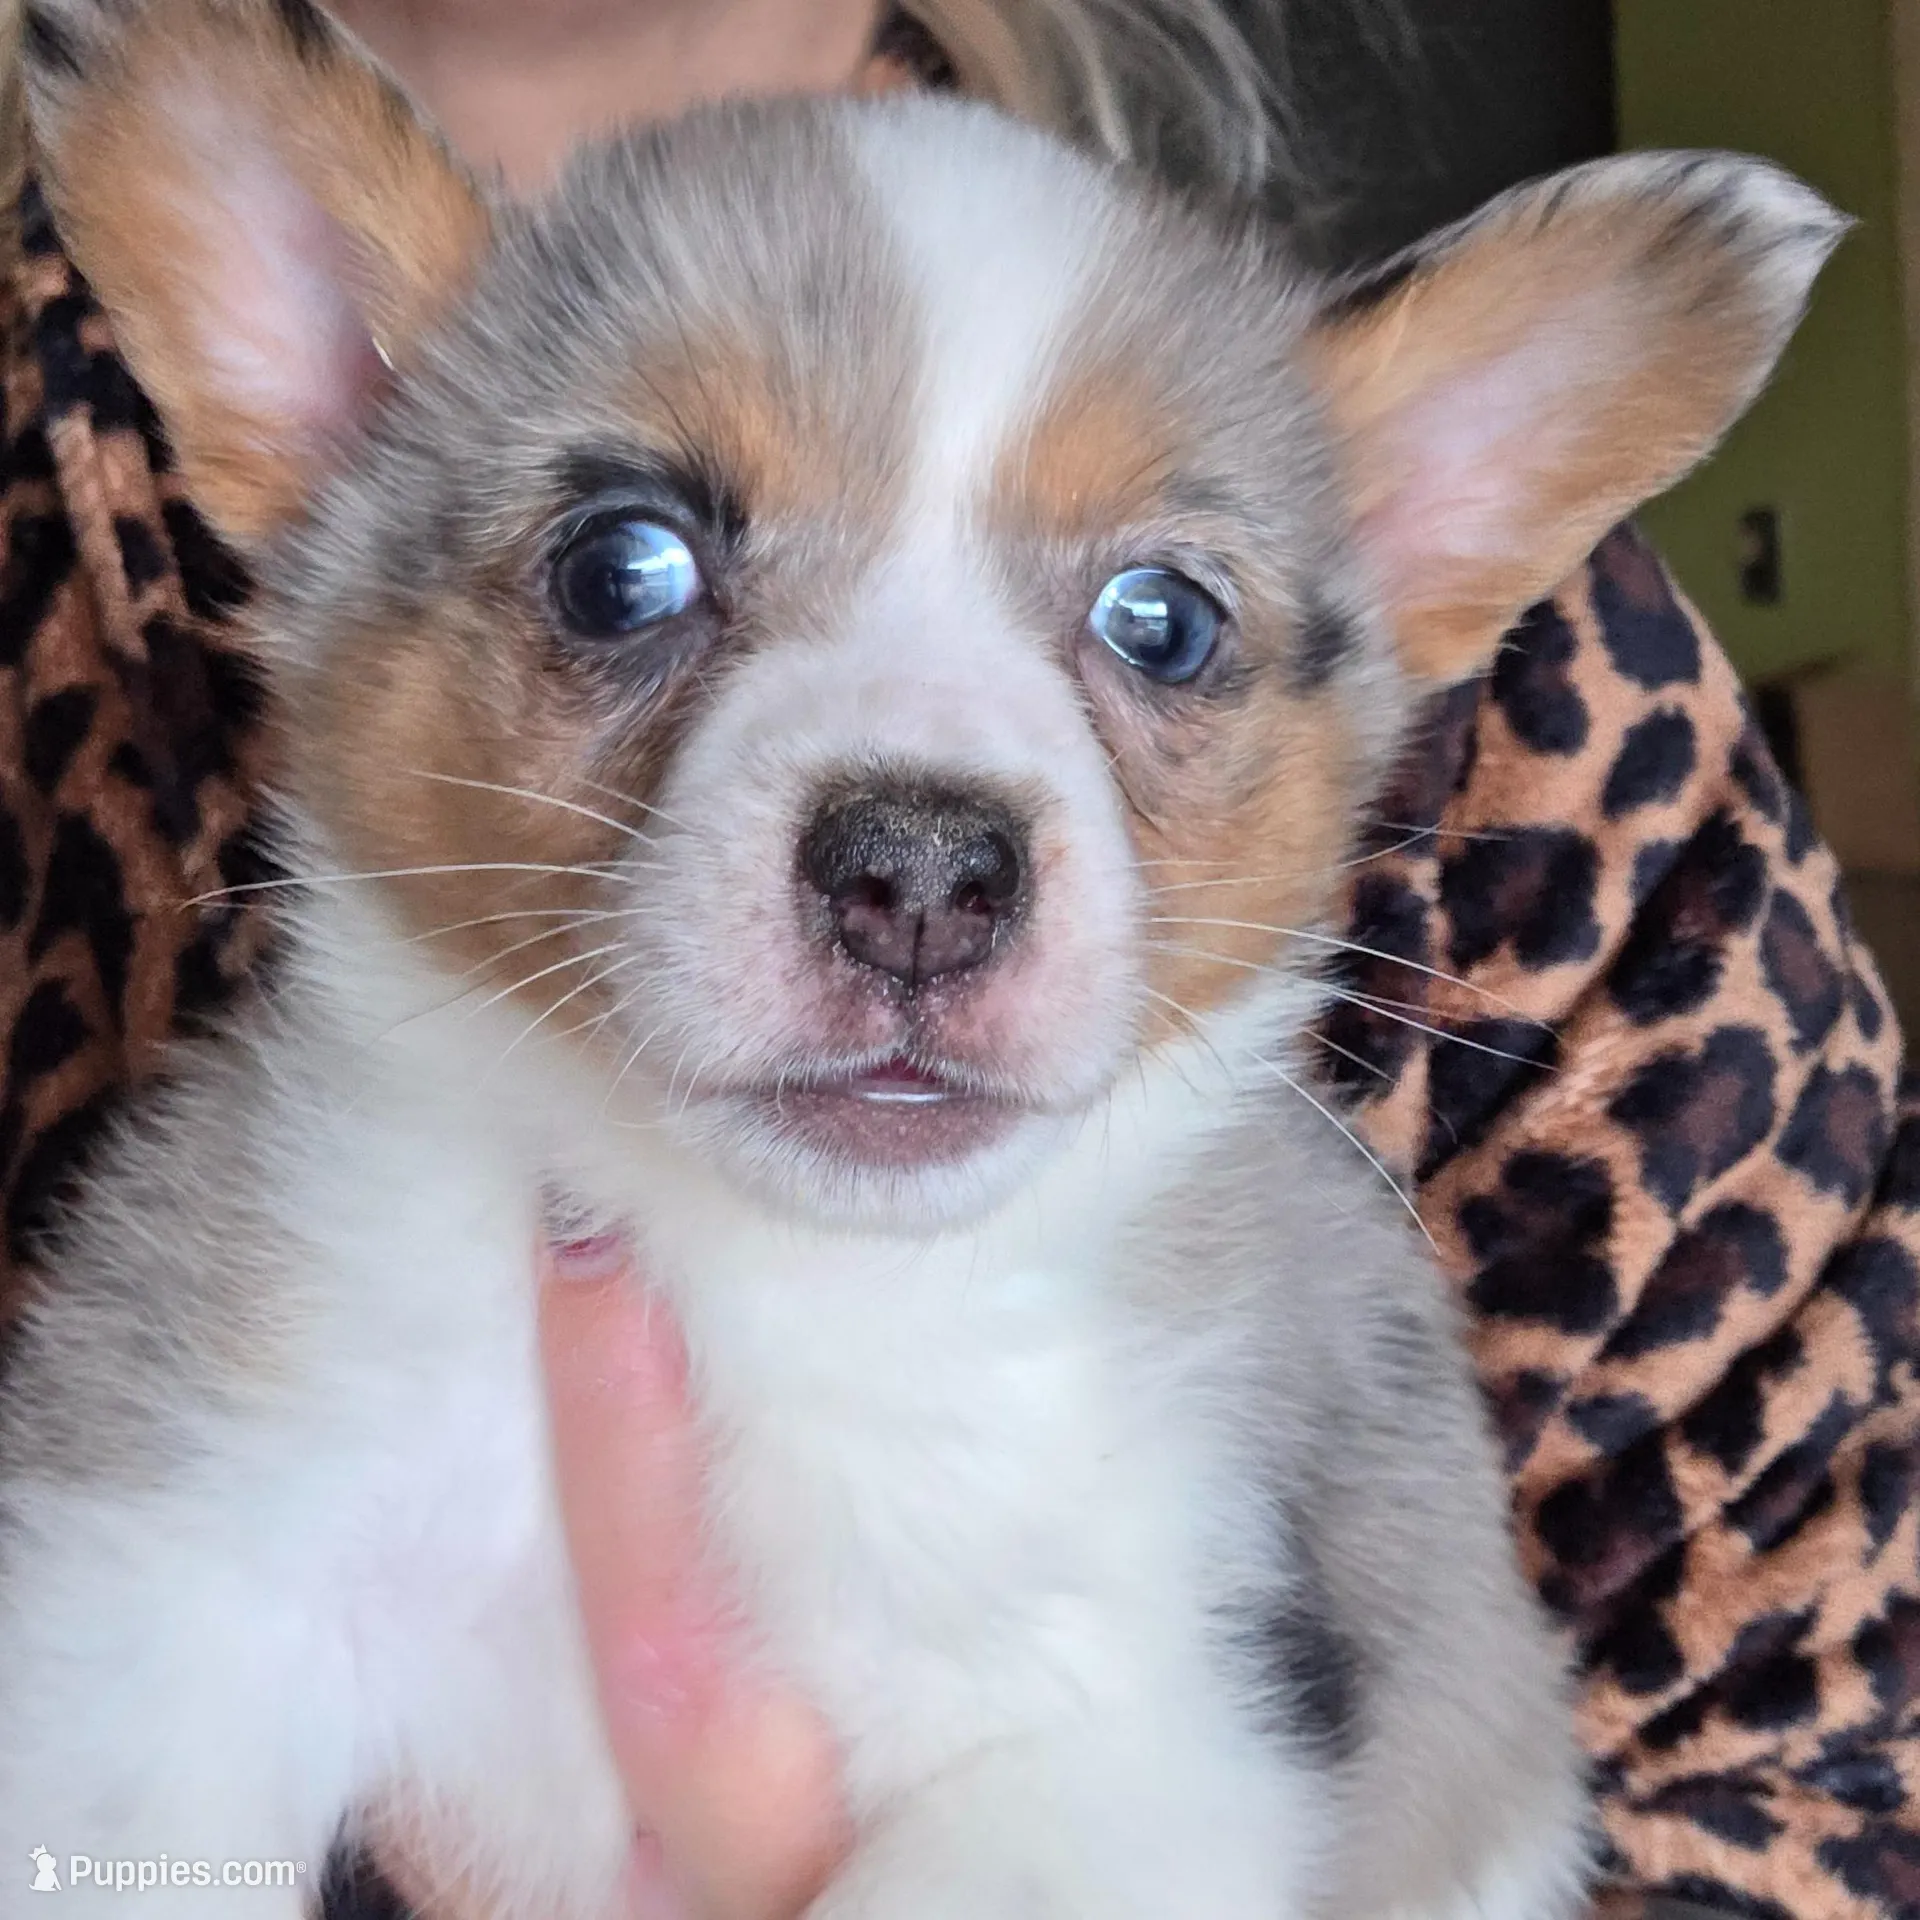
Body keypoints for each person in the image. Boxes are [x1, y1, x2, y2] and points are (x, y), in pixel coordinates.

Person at [1, 4, 1915, 1918]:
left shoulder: (1571, 793)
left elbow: (1831, 1751)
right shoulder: (227, 1414)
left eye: (1157, 626)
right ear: (328, 432)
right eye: (624, 574)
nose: (922, 859)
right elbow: (104, 1827)